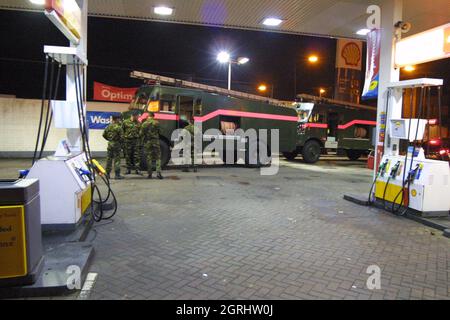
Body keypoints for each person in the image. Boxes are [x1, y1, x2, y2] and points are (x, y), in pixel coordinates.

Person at [140, 112, 164, 180]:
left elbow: (141, 133)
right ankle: (158, 173)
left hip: (148, 142)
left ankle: (149, 174)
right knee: (158, 157)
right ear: (153, 116)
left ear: (148, 116)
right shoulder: (157, 123)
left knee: (149, 157)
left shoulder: (144, 123)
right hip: (155, 141)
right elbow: (160, 132)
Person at [103, 115, 124, 180]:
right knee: (117, 160)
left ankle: (107, 174)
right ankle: (117, 175)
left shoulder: (108, 127)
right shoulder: (118, 127)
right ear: (116, 119)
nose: (119, 120)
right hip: (116, 145)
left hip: (110, 144)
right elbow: (122, 137)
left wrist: (109, 140)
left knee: (109, 159)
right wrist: (120, 142)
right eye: (119, 119)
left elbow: (104, 135)